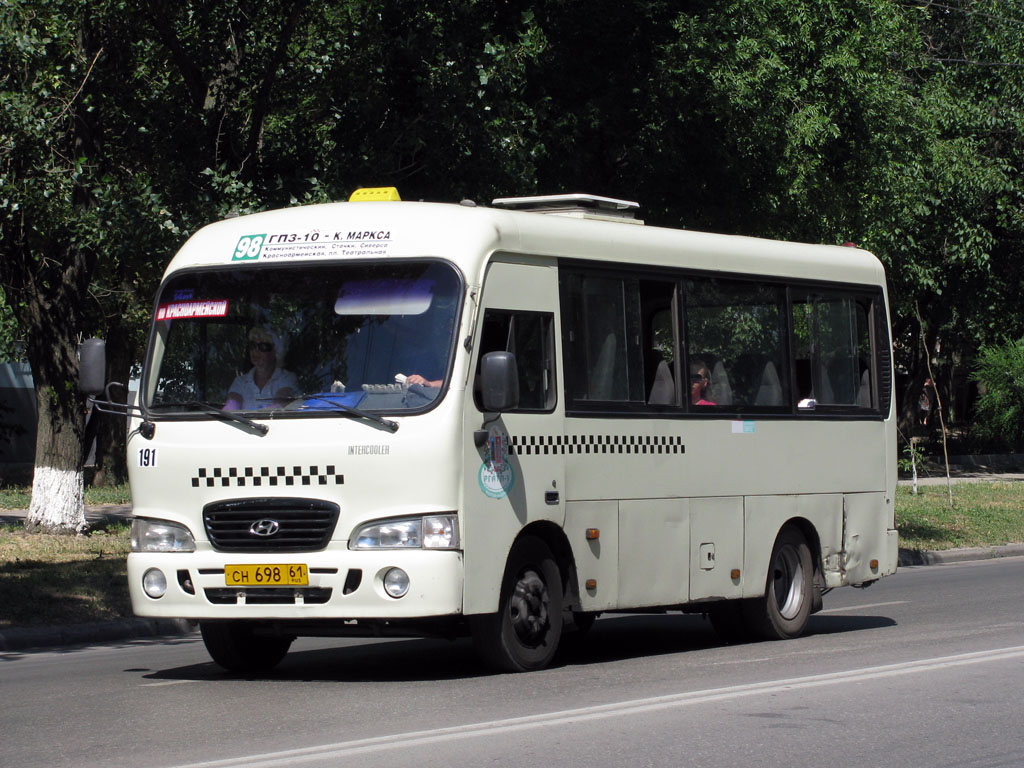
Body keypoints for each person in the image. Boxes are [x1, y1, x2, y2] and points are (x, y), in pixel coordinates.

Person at [223, 325, 298, 410]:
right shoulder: (240, 382)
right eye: (252, 345)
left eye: (263, 346)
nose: (255, 351)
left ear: (276, 351)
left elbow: (279, 406)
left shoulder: (287, 378)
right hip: (243, 424)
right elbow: (231, 406)